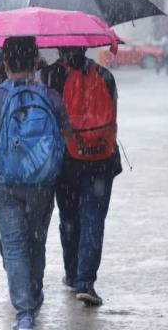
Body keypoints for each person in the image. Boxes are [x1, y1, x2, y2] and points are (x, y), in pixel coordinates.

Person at [0, 37, 71, 330]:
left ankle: (25, 313)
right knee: (36, 240)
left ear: (5, 63)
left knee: (13, 245)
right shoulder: (50, 96)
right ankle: (35, 291)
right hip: (41, 181)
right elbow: (66, 136)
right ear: (36, 62)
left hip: (4, 181)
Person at [41, 47, 122, 306]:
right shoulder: (106, 76)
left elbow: (46, 120)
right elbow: (114, 121)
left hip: (66, 162)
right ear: (86, 46)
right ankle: (86, 281)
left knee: (69, 219)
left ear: (59, 47)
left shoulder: (49, 76)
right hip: (101, 160)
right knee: (93, 219)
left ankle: (73, 273)